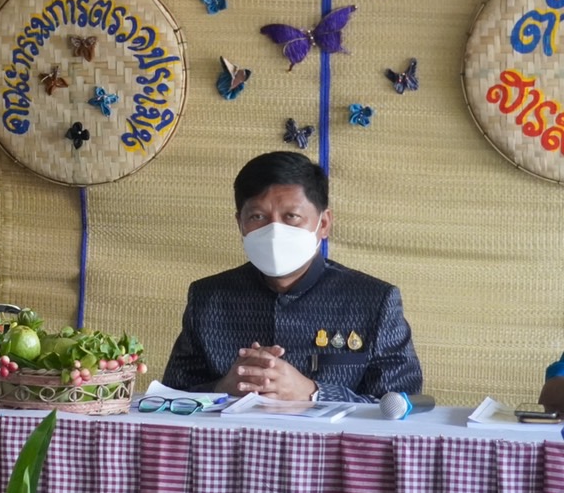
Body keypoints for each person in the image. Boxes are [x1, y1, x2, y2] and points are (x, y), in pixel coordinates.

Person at [161, 150, 422, 403]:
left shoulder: (373, 301)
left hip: (331, 447)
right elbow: (169, 397)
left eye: (292, 217)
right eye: (258, 216)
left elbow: (403, 402)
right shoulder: (208, 298)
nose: (275, 231)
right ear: (240, 223)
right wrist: (221, 388)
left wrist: (314, 393)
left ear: (323, 224)